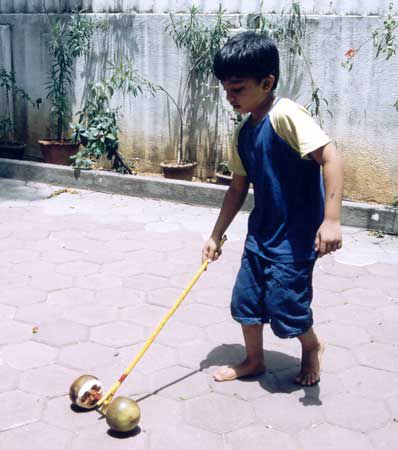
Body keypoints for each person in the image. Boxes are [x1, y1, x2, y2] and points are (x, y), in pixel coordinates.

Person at [202, 31, 343, 386]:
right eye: (225, 89)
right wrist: (216, 235)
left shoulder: (286, 116)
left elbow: (330, 156)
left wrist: (331, 220)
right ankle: (254, 360)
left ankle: (312, 346)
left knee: (287, 307)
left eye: (237, 89)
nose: (229, 97)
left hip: (294, 240)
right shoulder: (243, 133)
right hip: (260, 235)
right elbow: (237, 188)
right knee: (245, 301)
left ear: (267, 83)